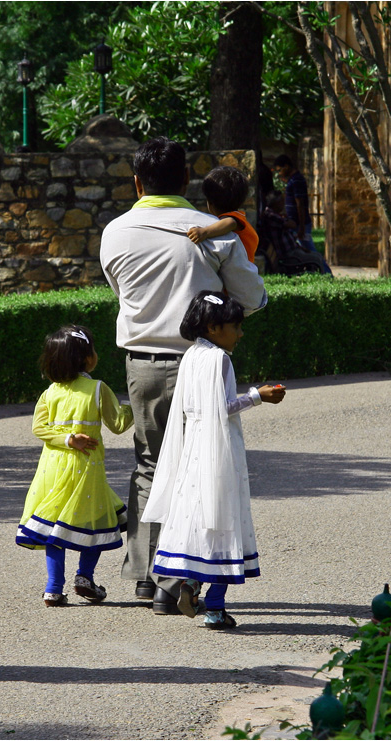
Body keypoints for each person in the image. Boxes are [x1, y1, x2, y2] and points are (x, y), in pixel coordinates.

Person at [100, 136, 267, 616]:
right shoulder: (211, 231)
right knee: (200, 467)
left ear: (137, 183)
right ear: (187, 182)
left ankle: (145, 574)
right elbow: (251, 299)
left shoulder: (116, 231)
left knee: (151, 465)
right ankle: (178, 579)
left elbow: (120, 290)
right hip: (202, 362)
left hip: (142, 365)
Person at [142, 291, 285, 629]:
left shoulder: (192, 355)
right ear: (213, 327)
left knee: (200, 514)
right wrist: (256, 396)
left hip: (194, 447)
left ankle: (192, 583)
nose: (240, 333)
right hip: (217, 447)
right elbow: (221, 407)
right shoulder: (219, 359)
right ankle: (216, 608)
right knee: (224, 519)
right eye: (235, 326)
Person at [16, 325, 134, 607]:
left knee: (54, 524)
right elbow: (118, 424)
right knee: (95, 518)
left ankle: (53, 588)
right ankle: (84, 576)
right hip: (86, 470)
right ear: (86, 358)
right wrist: (135, 404)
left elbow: (38, 428)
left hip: (53, 467)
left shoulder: (50, 392)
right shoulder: (97, 388)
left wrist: (67, 439)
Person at [187, 166, 260, 264]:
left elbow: (230, 222)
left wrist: (205, 232)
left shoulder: (232, 218)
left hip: (241, 270)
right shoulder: (239, 216)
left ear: (210, 203)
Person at [272, 154, 316, 253]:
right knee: (303, 249)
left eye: (280, 170)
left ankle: (324, 268)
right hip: (295, 222)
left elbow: (299, 203)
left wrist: (302, 226)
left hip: (299, 223)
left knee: (310, 250)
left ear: (286, 167)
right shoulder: (293, 180)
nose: (279, 173)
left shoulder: (296, 180)